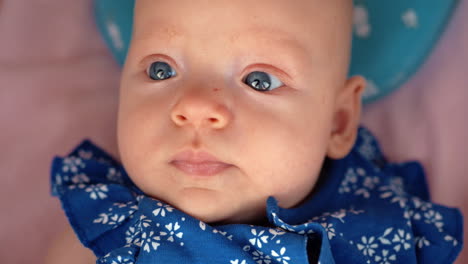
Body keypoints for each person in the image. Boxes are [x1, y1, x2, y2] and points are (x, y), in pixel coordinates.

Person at [46, 0, 463, 263]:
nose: (194, 107)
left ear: (337, 122)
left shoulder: (374, 229)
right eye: (161, 70)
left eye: (259, 80)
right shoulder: (106, 225)